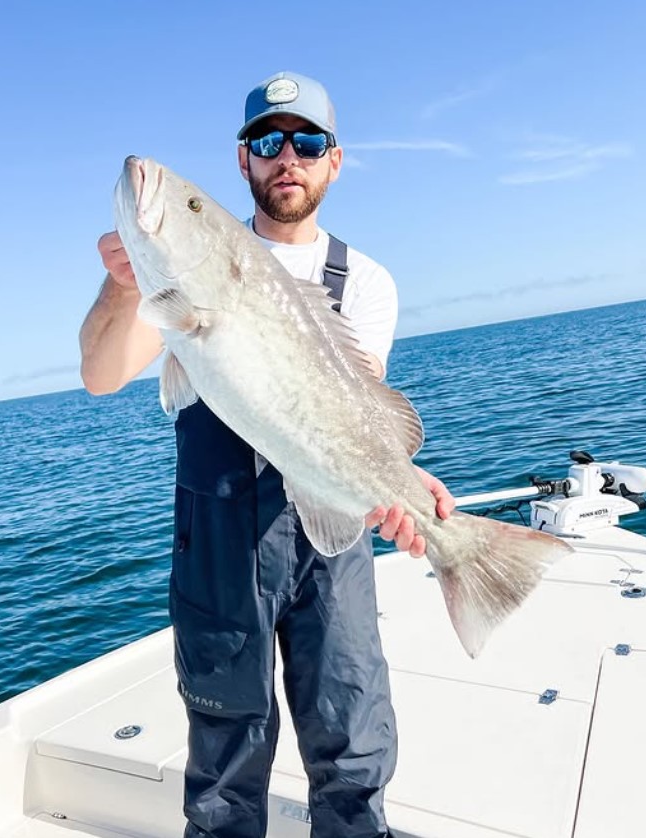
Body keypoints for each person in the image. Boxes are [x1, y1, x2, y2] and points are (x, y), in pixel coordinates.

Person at [80, 70, 454, 838]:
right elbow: (101, 375)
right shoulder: (181, 288)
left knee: (351, 746)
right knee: (224, 760)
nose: (288, 156)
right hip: (217, 545)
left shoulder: (367, 281)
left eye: (306, 141)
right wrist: (123, 288)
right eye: (266, 141)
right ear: (244, 161)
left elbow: (353, 412)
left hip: (331, 536)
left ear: (333, 160)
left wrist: (397, 483)